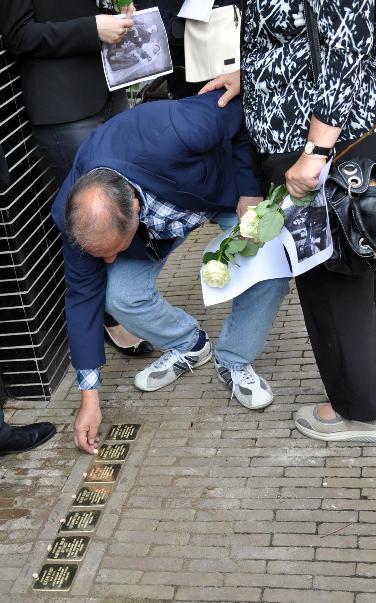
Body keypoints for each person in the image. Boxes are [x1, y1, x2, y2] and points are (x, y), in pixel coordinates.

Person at [201, 0, 376, 442]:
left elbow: (342, 43)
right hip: (351, 125)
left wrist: (316, 150)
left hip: (330, 138)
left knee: (332, 277)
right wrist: (254, 75)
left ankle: (361, 411)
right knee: (366, 255)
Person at [52, 91, 290, 453]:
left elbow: (239, 117)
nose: (110, 261)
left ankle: (234, 359)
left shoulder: (177, 130)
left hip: (220, 194)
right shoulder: (75, 217)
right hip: (156, 229)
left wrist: (250, 192)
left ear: (132, 207)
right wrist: (89, 397)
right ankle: (190, 346)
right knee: (118, 295)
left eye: (114, 251)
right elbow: (83, 297)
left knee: (269, 264)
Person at [0, 0, 153, 357]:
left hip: (109, 85)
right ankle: (109, 317)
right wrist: (92, 28)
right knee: (87, 218)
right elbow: (18, 35)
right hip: (64, 104)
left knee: (122, 205)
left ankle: (128, 302)